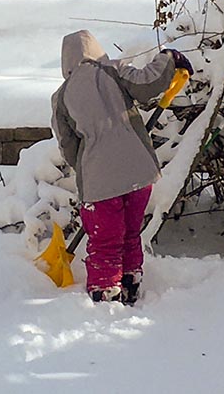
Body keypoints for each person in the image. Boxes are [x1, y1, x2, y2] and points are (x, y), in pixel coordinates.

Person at [51, 30, 194, 305]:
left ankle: (106, 293)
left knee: (106, 241)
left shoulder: (61, 98)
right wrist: (169, 58)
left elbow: (68, 147)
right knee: (130, 232)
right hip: (139, 172)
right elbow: (148, 84)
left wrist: (90, 166)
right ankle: (130, 280)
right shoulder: (114, 71)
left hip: (99, 183)